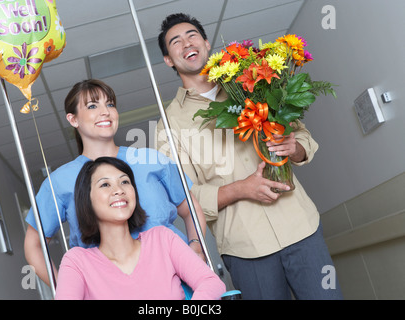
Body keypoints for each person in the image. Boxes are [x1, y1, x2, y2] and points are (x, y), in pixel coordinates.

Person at [155, 13, 343, 299]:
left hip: (301, 229)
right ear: (169, 59)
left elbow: (302, 135)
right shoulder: (168, 126)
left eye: (192, 35)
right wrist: (240, 189)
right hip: (245, 250)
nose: (186, 43)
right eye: (175, 41)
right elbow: (185, 200)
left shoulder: (252, 82)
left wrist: (294, 147)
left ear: (206, 44)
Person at [24, 79, 207, 286]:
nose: (106, 111)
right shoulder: (59, 182)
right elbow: (33, 245)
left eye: (110, 104)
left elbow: (191, 209)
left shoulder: (151, 160)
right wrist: (66, 289)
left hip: (179, 280)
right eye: (93, 106)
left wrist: (196, 246)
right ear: (73, 119)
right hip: (110, 288)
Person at [55, 157, 225, 300]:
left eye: (124, 182)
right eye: (105, 185)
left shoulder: (162, 239)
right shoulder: (76, 261)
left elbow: (211, 283)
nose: (119, 190)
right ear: (87, 199)